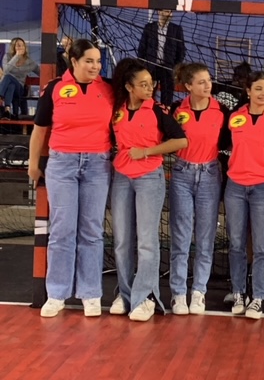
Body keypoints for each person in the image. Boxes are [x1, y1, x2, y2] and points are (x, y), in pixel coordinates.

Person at [28, 39, 114, 317]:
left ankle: (90, 293)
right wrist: (33, 164)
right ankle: (57, 293)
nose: (95, 66)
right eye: (89, 61)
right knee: (62, 230)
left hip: (97, 165)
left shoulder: (109, 89)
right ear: (74, 61)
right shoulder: (54, 89)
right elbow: (40, 130)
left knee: (91, 231)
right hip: (62, 165)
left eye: (98, 61)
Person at [109, 58, 188, 322]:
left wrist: (146, 151)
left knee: (146, 241)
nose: (149, 87)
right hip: (121, 176)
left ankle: (145, 298)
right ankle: (126, 293)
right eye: (142, 84)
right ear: (129, 87)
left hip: (148, 177)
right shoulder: (117, 110)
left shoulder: (157, 111)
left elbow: (180, 140)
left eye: (150, 83)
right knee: (121, 241)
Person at [225, 71, 264, 319]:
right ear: (248, 91)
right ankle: (239, 292)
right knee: (237, 244)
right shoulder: (233, 119)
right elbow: (223, 146)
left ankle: (258, 297)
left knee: (262, 246)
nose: (263, 93)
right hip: (235, 188)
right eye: (258, 89)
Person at [169, 63, 229, 315]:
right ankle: (178, 293)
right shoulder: (175, 110)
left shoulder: (222, 111)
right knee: (181, 238)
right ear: (188, 86)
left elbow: (230, 143)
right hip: (182, 174)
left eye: (209, 81)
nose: (208, 86)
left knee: (205, 239)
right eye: (202, 82)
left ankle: (199, 292)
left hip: (210, 175)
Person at [137, 9, 186, 106]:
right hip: (151, 67)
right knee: (147, 94)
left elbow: (181, 51)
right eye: (166, 11)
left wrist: (174, 66)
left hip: (168, 68)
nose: (169, 14)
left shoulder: (176, 29)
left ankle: (165, 114)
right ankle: (146, 111)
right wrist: (143, 65)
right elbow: (141, 49)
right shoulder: (149, 28)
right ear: (159, 12)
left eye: (170, 12)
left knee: (167, 97)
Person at [0, 37, 39, 119]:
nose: (20, 47)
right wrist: (16, 56)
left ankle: (0, 95)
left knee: (8, 77)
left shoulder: (29, 61)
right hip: (10, 89)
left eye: (22, 45)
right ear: (13, 47)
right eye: (18, 46)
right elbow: (6, 70)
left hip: (20, 88)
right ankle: (7, 110)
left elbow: (41, 73)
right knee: (11, 85)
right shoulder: (7, 57)